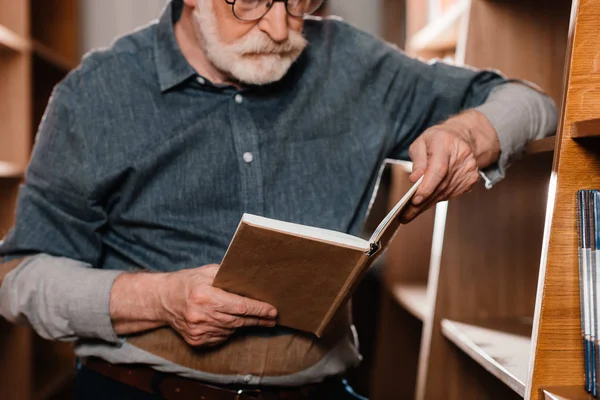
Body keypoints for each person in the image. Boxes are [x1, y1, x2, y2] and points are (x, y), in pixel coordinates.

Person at [0, 0, 556, 398]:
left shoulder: (355, 63)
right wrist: (158, 298)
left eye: (300, 1)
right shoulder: (94, 93)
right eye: (249, 2)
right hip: (135, 388)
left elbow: (533, 103)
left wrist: (468, 135)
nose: (281, 26)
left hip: (319, 387)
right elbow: (17, 277)